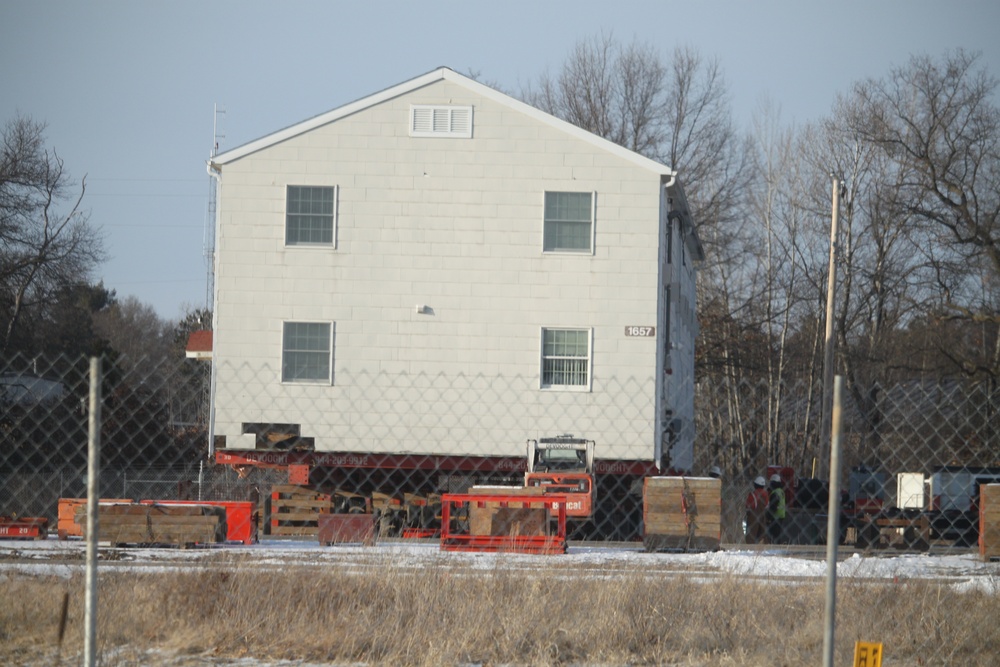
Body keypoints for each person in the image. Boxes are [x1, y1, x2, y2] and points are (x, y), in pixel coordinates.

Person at [745, 475, 769, 544]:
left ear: (755, 484)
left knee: (751, 537)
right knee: (762, 536)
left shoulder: (752, 494)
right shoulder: (766, 494)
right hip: (763, 516)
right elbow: (767, 506)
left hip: (753, 516)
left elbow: (748, 506)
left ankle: (750, 550)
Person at [766, 473, 786, 544]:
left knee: (773, 536)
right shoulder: (781, 491)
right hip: (781, 516)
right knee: (778, 536)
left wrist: (768, 517)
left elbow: (773, 507)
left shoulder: (775, 493)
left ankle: (774, 548)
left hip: (775, 517)